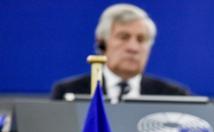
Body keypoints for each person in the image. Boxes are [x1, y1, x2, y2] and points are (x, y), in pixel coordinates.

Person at [51, 4, 189, 102]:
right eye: (124, 37)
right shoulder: (69, 92)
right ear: (102, 43)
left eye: (141, 39)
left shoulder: (174, 95)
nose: (133, 48)